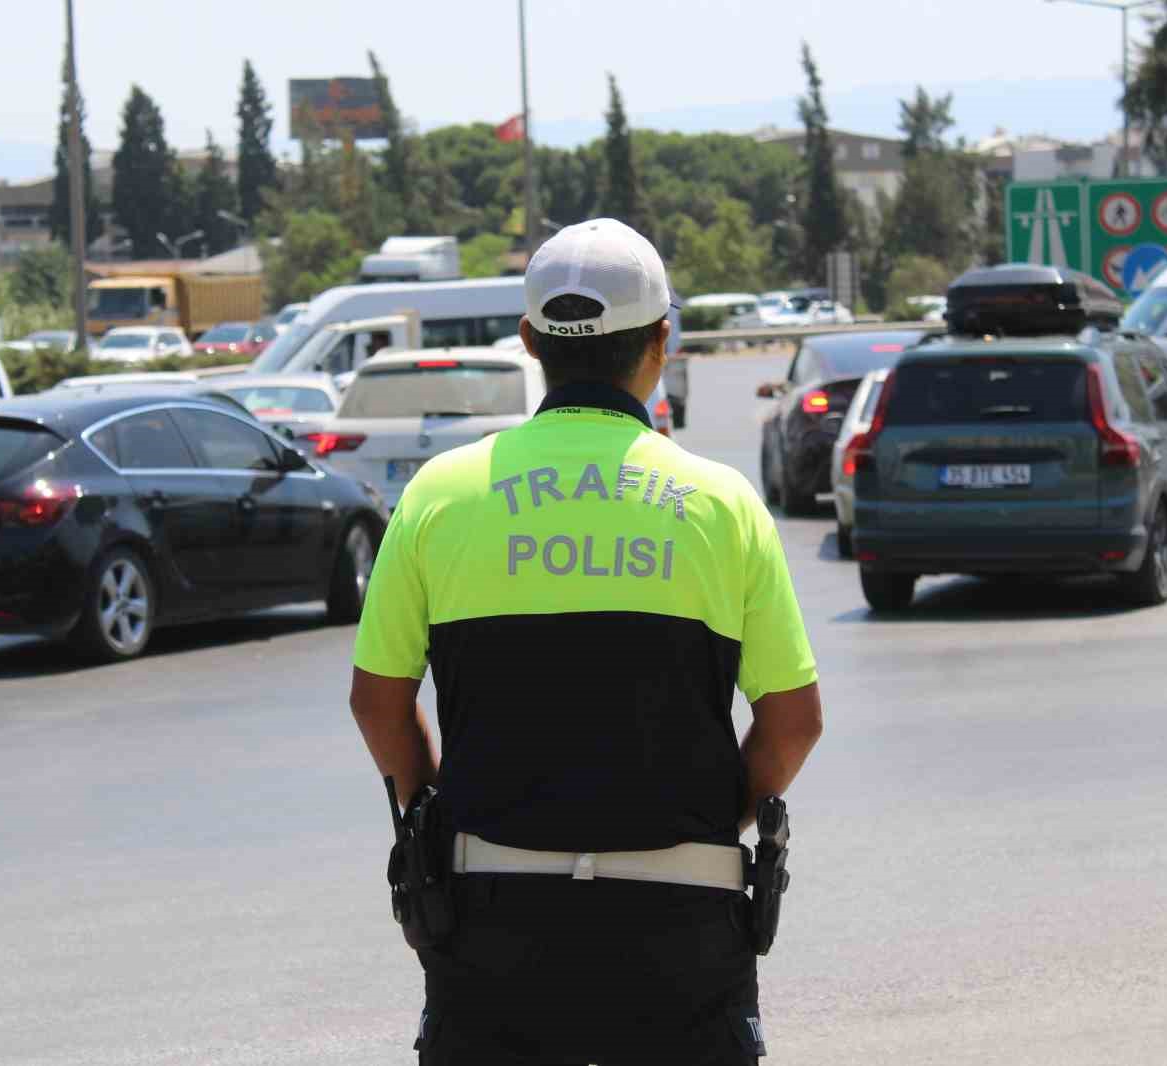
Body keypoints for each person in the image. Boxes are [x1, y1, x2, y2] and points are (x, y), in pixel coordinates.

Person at [350, 217, 823, 1065]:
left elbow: (378, 703)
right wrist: (716, 818)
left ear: (530, 341)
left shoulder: (440, 495)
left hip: (490, 923)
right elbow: (793, 722)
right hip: (685, 930)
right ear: (662, 342)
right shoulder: (722, 504)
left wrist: (433, 811)